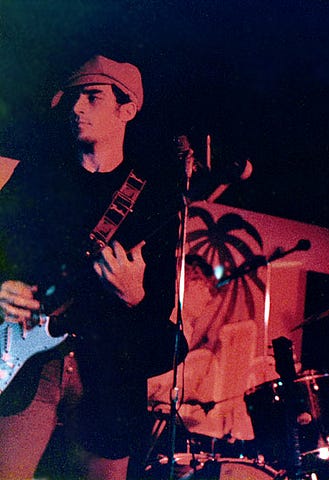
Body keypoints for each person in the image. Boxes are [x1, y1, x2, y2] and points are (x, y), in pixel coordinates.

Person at [0, 55, 188, 479]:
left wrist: (135, 294)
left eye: (92, 97)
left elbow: (158, 309)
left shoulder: (155, 203)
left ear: (127, 110)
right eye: (74, 99)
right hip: (28, 366)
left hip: (108, 377)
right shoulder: (39, 178)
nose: (77, 107)